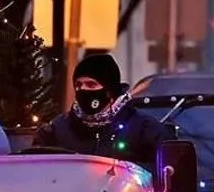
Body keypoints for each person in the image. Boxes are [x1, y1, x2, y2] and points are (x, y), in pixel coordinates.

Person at [33, 53, 169, 170]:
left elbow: (163, 174)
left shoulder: (145, 129)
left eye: (91, 84)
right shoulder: (57, 130)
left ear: (109, 91)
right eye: (78, 85)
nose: (83, 90)